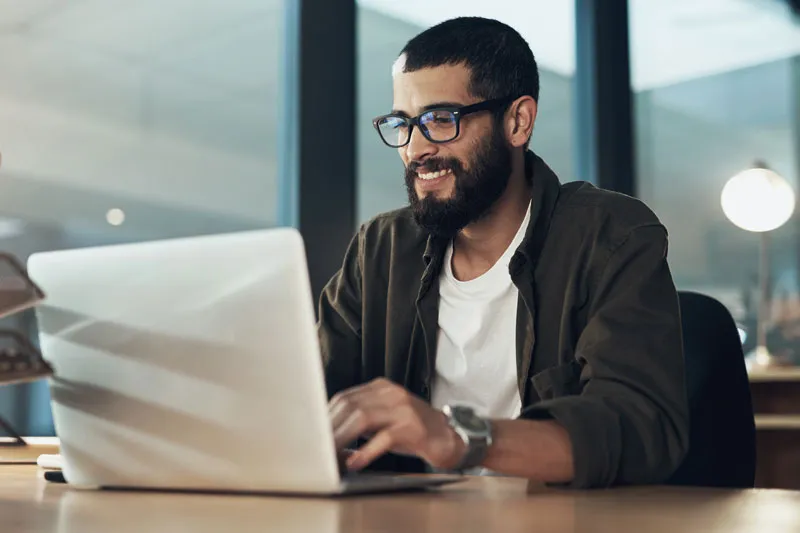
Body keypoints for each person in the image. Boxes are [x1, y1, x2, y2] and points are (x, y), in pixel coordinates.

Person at [319, 17, 688, 489]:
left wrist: (460, 438)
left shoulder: (610, 235)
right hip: (409, 519)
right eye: (403, 124)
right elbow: (310, 395)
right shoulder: (381, 249)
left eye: (440, 119)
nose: (415, 148)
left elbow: (640, 427)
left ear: (518, 121)